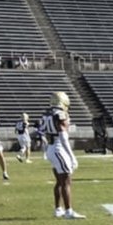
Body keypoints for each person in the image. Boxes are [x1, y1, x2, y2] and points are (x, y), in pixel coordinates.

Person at [41, 90, 83, 218]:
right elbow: (63, 137)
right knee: (66, 181)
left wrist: (46, 149)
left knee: (59, 181)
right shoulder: (61, 114)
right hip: (59, 148)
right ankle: (69, 211)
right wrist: (72, 156)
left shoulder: (46, 114)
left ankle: (58, 209)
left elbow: (41, 131)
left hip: (51, 148)